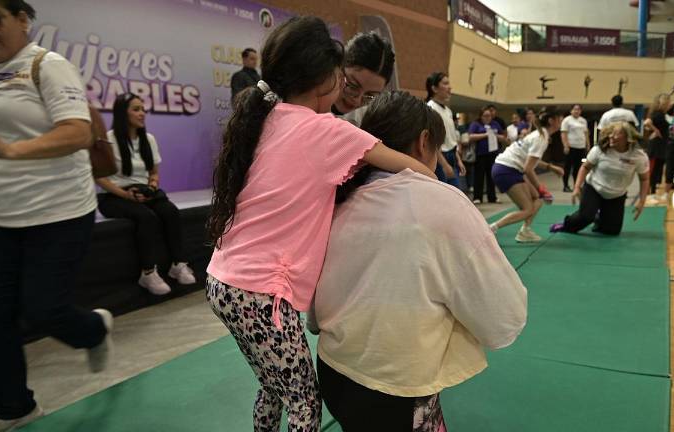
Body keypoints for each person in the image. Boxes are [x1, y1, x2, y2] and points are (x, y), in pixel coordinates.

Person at [204, 16, 435, 431]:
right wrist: (435, 174)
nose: (357, 97)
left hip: (224, 280)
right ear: (327, 78)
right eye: (347, 83)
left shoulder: (267, 115)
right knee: (306, 406)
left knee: (273, 387)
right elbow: (413, 168)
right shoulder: (327, 130)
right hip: (262, 293)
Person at [312, 91, 527, 432]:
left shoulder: (337, 198)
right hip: (395, 389)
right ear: (424, 141)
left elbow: (315, 307)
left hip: (333, 372)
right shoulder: (441, 202)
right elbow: (504, 318)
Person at [0, 1, 112, 430]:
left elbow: (77, 132)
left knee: (45, 309)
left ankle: (94, 330)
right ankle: (14, 409)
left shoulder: (48, 65)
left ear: (22, 19)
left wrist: (9, 150)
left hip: (59, 212)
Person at [95, 94, 196, 295]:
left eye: (143, 109)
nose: (142, 114)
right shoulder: (109, 139)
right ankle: (148, 272)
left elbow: (154, 173)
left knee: (170, 211)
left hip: (144, 193)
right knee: (146, 217)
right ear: (122, 113)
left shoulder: (148, 139)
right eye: (136, 109)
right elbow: (100, 178)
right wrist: (126, 195)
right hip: (114, 195)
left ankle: (178, 264)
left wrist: (151, 187)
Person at [550, 122, 649, 236]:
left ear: (628, 137)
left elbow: (644, 179)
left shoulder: (638, 156)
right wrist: (577, 187)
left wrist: (641, 202)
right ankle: (566, 224)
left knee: (612, 231)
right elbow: (585, 167)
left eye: (617, 134)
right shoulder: (600, 149)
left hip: (616, 194)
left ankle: (599, 218)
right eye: (611, 133)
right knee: (586, 217)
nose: (611, 136)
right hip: (594, 188)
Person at [490, 108, 564, 242]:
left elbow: (530, 160)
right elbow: (528, 169)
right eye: (560, 119)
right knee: (527, 209)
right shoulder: (541, 137)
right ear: (551, 121)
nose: (562, 122)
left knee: (538, 198)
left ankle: (525, 231)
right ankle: (491, 229)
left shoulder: (540, 134)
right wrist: (542, 188)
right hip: (506, 170)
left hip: (509, 168)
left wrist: (550, 167)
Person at [331, 32, 394, 126]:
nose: (357, 101)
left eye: (369, 95)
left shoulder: (366, 123)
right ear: (339, 67)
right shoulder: (307, 102)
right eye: (352, 86)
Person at [426, 72, 465, 187]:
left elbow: (451, 140)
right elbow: (431, 141)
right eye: (445, 83)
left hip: (451, 155)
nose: (450, 87)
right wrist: (444, 165)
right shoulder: (430, 108)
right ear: (434, 88)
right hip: (440, 156)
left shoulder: (448, 110)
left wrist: (458, 159)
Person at [467, 107, 507, 203]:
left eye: (489, 116)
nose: (488, 118)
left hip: (493, 154)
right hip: (480, 155)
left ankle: (492, 197)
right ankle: (477, 197)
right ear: (481, 116)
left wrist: (494, 135)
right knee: (479, 176)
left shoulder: (495, 124)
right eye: (485, 116)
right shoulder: (476, 124)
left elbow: (503, 137)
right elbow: (471, 136)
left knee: (491, 176)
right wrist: (486, 134)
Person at [643, 93, 671, 201]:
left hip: (661, 146)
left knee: (657, 170)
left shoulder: (662, 114)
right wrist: (656, 130)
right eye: (668, 102)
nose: (669, 104)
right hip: (655, 146)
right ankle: (650, 193)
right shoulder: (657, 114)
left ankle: (653, 192)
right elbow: (647, 123)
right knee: (653, 170)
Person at [561, 104, 590, 192]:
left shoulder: (583, 121)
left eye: (578, 109)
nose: (576, 111)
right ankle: (566, 186)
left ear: (580, 111)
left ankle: (576, 186)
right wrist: (566, 145)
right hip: (571, 147)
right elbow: (563, 133)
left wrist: (587, 144)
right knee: (568, 167)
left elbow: (585, 133)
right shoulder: (567, 120)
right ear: (571, 111)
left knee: (579, 167)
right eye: (575, 109)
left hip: (581, 147)